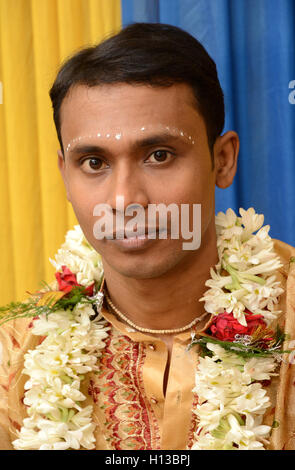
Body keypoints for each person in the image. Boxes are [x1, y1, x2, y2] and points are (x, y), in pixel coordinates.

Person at [0, 22, 295, 451]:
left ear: (223, 160)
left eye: (159, 155)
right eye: (94, 162)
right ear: (65, 175)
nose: (124, 200)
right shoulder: (16, 359)